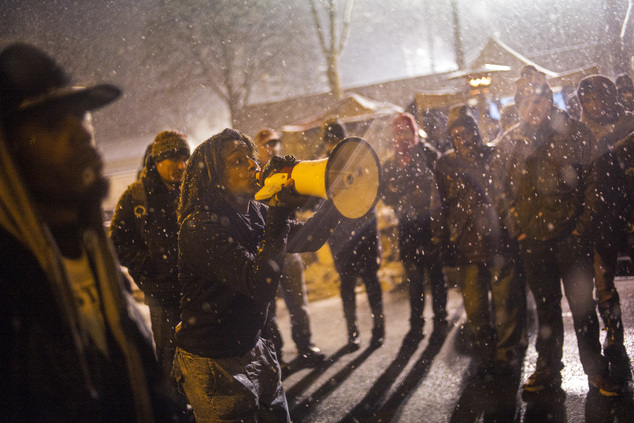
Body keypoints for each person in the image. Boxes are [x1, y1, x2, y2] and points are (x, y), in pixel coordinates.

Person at [0, 42, 179, 422]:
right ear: (8, 151)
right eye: (52, 124)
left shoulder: (93, 257)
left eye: (81, 117)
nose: (82, 134)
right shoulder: (10, 287)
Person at [172, 128, 340, 422]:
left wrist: (339, 197)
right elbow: (259, 285)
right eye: (238, 161)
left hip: (255, 346)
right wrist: (279, 213)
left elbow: (308, 240)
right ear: (214, 178)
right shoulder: (199, 227)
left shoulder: (255, 213)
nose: (254, 164)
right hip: (214, 363)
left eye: (251, 156)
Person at [495, 65, 620, 396]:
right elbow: (501, 193)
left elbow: (595, 182)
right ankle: (548, 368)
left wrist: (581, 229)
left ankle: (595, 371)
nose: (532, 109)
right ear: (518, 107)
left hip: (569, 237)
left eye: (538, 102)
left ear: (549, 102)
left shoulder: (575, 133)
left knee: (582, 309)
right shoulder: (510, 142)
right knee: (547, 310)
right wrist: (518, 230)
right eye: (524, 103)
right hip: (533, 242)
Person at [434, 105, 525, 376]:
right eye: (456, 135)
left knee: (506, 301)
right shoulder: (445, 164)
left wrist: (514, 228)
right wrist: (441, 239)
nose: (463, 140)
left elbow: (506, 192)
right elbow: (437, 205)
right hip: (466, 245)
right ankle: (485, 350)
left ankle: (506, 352)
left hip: (499, 241)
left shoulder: (493, 155)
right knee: (474, 307)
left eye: (466, 133)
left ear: (476, 132)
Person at [110, 131, 190, 391]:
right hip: (162, 295)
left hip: (196, 288)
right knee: (169, 356)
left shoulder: (191, 190)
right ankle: (177, 409)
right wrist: (149, 265)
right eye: (174, 159)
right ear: (157, 161)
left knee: (202, 353)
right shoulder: (136, 196)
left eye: (184, 158)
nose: (181, 165)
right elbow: (117, 242)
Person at [577, 75, 634, 377]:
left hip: (631, 211)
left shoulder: (629, 123)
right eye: (588, 99)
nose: (594, 104)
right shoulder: (581, 133)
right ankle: (614, 333)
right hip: (601, 216)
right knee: (604, 284)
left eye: (599, 97)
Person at [253, 128, 325, 365]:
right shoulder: (254, 177)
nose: (272, 147)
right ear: (258, 148)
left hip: (288, 248)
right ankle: (277, 353)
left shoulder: (285, 171)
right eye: (266, 144)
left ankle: (305, 346)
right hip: (266, 250)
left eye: (275, 142)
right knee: (267, 310)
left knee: (298, 303)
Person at [382, 112, 448, 348]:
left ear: (414, 132)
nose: (403, 137)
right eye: (398, 132)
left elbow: (441, 184)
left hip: (430, 226)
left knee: (437, 276)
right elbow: (385, 193)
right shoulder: (391, 163)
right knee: (415, 280)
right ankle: (416, 324)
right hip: (408, 228)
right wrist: (400, 200)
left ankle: (441, 319)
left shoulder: (428, 154)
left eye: (406, 131)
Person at [320, 119, 385, 350]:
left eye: (337, 140)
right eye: (330, 141)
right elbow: (322, 202)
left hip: (364, 232)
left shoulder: (361, 160)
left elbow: (374, 191)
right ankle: (353, 333)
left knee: (371, 281)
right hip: (341, 238)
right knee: (347, 286)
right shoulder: (324, 167)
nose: (333, 145)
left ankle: (379, 329)